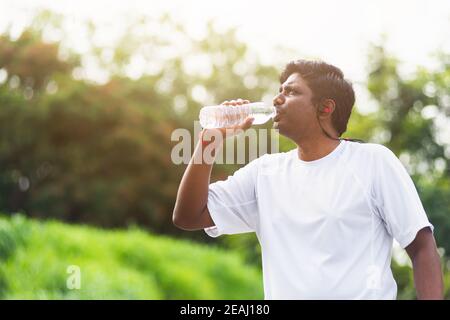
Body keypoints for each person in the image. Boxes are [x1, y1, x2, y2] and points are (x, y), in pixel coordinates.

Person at [172, 59, 443, 299]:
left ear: (325, 108)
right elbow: (189, 216)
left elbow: (421, 246)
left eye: (291, 92)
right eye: (279, 91)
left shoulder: (372, 161)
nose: (277, 99)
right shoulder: (264, 173)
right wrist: (209, 142)